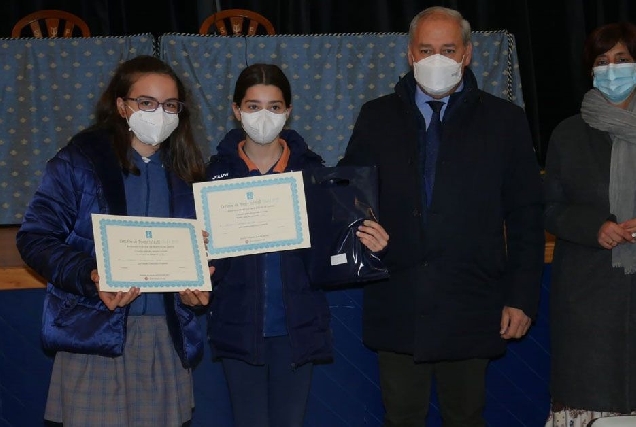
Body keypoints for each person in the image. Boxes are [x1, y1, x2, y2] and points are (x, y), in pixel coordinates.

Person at [338, 6, 545, 427]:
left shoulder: (504, 121)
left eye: (448, 49)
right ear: (410, 55)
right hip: (399, 301)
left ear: (467, 54)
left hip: (472, 302)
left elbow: (526, 216)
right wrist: (360, 225)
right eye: (426, 49)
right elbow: (350, 197)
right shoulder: (376, 117)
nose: (437, 59)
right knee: (402, 418)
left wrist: (521, 297)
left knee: (467, 417)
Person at [16, 55, 209, 427]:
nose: (160, 113)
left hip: (165, 339)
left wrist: (199, 287)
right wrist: (91, 274)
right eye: (146, 102)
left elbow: (203, 252)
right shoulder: (80, 160)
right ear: (121, 106)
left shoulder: (188, 171)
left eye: (170, 105)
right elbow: (36, 237)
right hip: (95, 333)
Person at [205, 63, 389, 427]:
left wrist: (371, 248)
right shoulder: (213, 176)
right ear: (236, 110)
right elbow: (209, 265)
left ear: (288, 111)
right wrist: (201, 252)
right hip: (238, 326)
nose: (263, 116)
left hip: (297, 327)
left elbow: (333, 252)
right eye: (253, 105)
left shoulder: (314, 173)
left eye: (274, 107)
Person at [544, 22, 636, 426]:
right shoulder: (568, 133)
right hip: (589, 298)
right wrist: (593, 226)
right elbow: (548, 207)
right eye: (602, 61)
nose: (612, 69)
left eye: (622, 60)